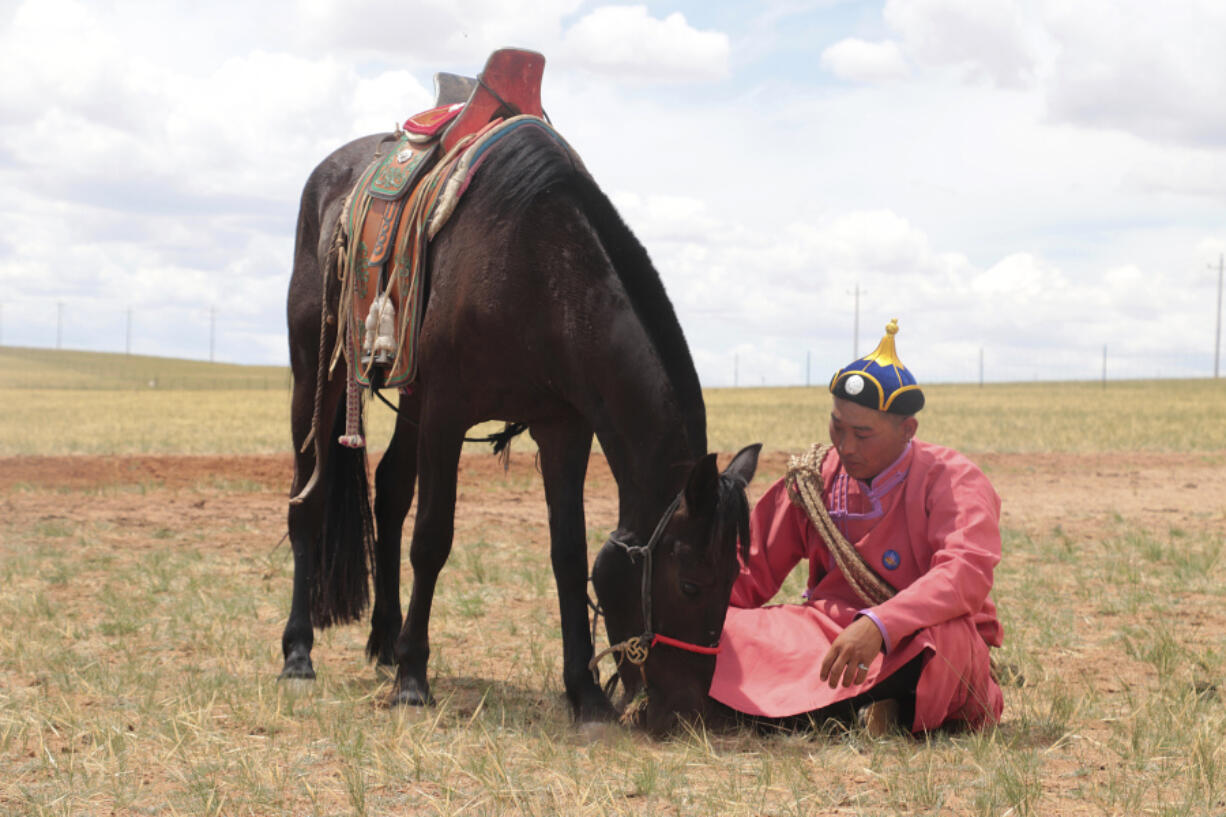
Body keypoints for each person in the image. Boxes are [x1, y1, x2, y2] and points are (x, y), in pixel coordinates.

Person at [708, 320, 1004, 734]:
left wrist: (880, 625)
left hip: (913, 634)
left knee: (944, 643)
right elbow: (748, 570)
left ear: (908, 430)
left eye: (863, 434)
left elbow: (963, 575)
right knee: (720, 629)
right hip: (824, 633)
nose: (845, 446)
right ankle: (850, 707)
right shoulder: (814, 478)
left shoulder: (955, 480)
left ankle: (862, 707)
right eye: (837, 427)